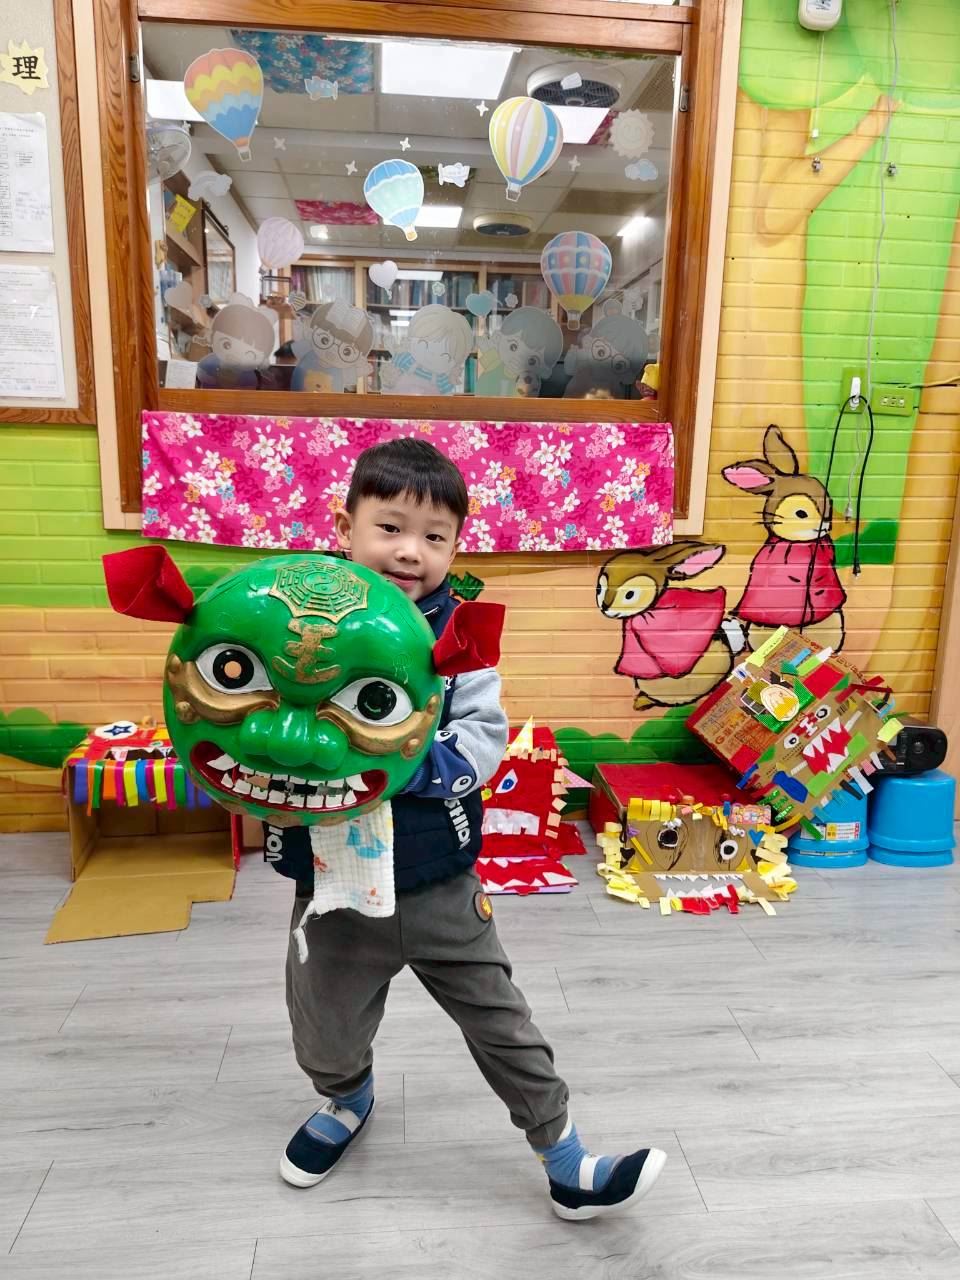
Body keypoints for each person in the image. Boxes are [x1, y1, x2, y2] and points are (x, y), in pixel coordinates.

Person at [267, 438, 666, 1221]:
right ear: (345, 527)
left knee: (501, 1021)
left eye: (434, 536)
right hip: (334, 886)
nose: (409, 551)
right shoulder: (290, 623)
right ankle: (347, 1098)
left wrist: (404, 763)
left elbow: (483, 737)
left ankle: (567, 1161)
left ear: (455, 547)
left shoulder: (461, 637)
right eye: (389, 527)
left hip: (438, 885)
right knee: (323, 1029)